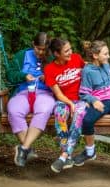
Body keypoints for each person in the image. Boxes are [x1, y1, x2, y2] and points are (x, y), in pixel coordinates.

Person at [73, 40, 110, 168]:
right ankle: (90, 151)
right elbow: (83, 93)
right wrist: (94, 101)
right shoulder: (87, 71)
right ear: (95, 56)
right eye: (105, 54)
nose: (108, 56)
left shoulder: (105, 64)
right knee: (87, 121)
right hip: (100, 102)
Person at [7, 32, 55, 167]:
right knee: (14, 109)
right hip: (23, 92)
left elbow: (59, 77)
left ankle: (23, 148)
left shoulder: (51, 59)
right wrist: (23, 76)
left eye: (44, 50)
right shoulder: (22, 55)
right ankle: (27, 149)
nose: (41, 52)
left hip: (44, 93)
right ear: (33, 45)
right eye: (38, 48)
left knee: (44, 109)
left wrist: (47, 78)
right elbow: (10, 74)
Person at [44, 38, 87, 173]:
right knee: (60, 114)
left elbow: (91, 71)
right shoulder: (50, 69)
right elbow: (58, 94)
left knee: (78, 116)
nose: (71, 52)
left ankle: (63, 156)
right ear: (57, 54)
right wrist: (69, 103)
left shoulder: (77, 58)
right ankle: (67, 155)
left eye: (70, 49)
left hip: (81, 99)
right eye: (66, 51)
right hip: (64, 100)